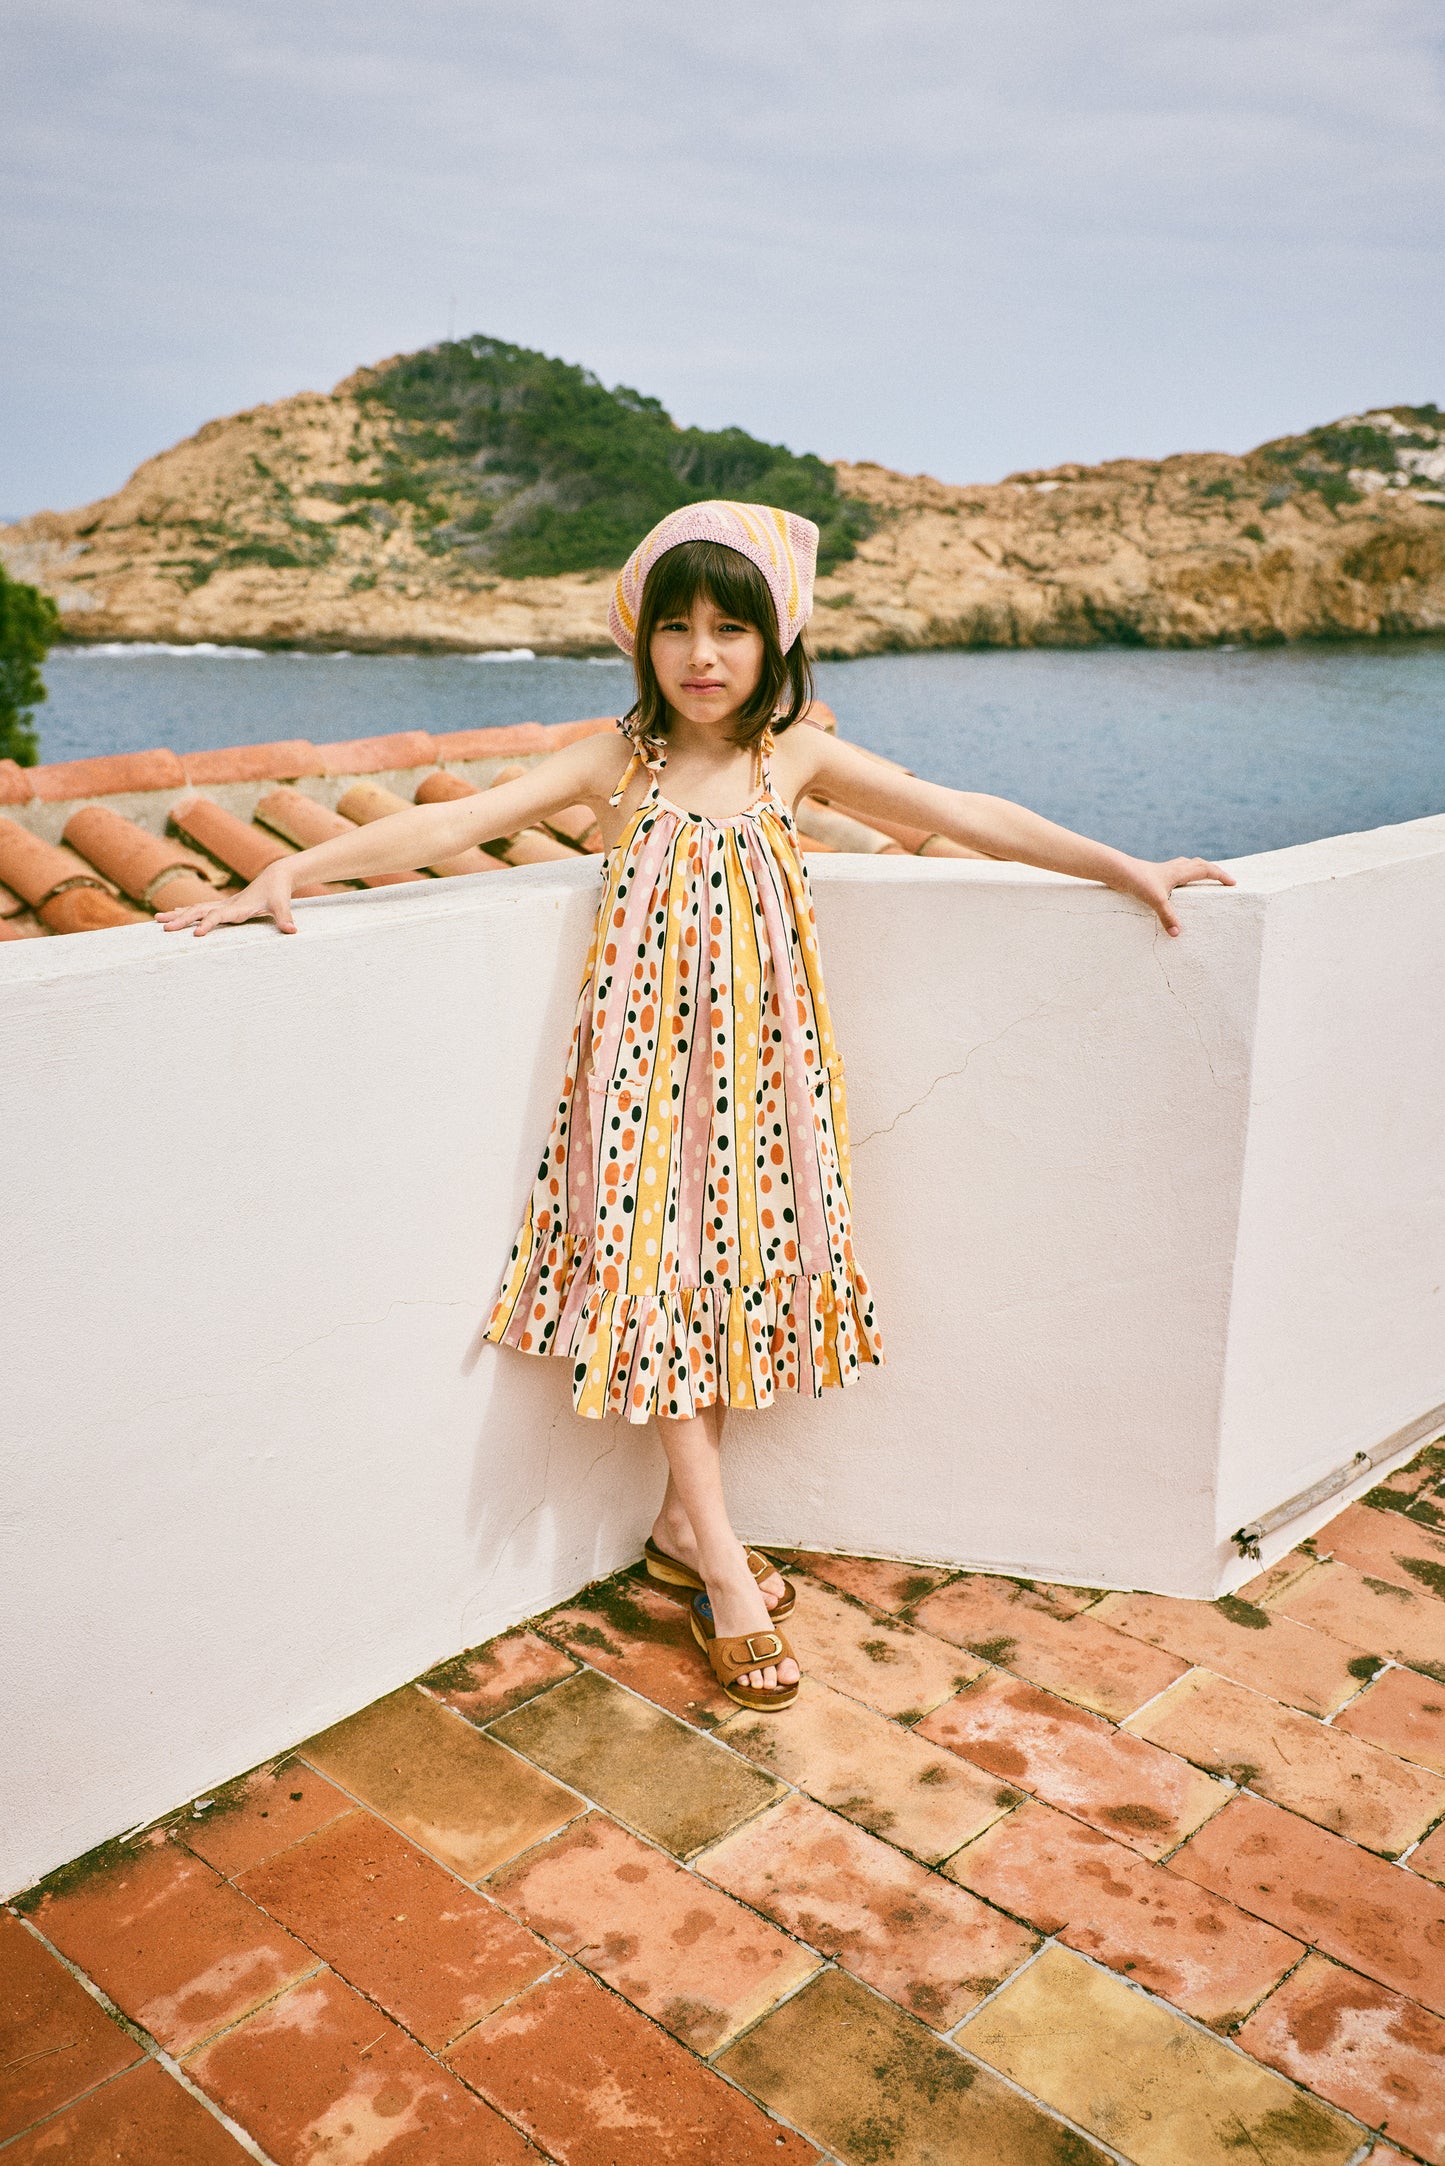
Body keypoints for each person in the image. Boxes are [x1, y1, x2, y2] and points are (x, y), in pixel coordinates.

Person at [159, 498, 1234, 1712]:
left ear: (775, 641)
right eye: (674, 627)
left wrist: (1121, 866)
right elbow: (454, 821)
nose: (701, 655)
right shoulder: (617, 762)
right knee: (658, 1290)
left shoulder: (792, 758)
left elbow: (965, 816)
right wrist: (290, 867)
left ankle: (681, 1522)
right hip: (637, 1086)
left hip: (765, 1082)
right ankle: (721, 1566)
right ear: (643, 640)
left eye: (730, 628)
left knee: (720, 1293)